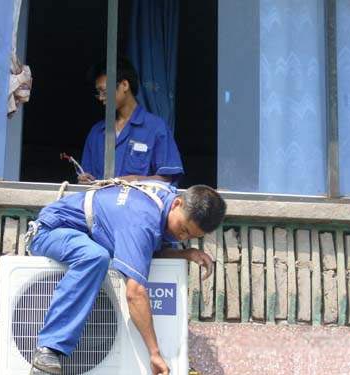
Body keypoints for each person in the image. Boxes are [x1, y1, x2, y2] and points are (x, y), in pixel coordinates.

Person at [28, 180, 226, 374]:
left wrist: (185, 254)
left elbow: (144, 250)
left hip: (86, 237)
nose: (182, 238)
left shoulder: (167, 196)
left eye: (190, 237)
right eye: (183, 229)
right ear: (177, 203)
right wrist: (154, 353)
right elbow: (135, 293)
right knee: (95, 257)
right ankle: (47, 351)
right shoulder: (141, 219)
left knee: (96, 254)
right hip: (50, 232)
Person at [78, 58, 184, 185]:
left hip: (139, 203)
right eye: (98, 93)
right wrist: (84, 180)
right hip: (100, 203)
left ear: (124, 85)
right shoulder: (96, 132)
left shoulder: (156, 128)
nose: (101, 98)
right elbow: (85, 179)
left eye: (104, 92)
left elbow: (168, 180)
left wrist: (136, 180)